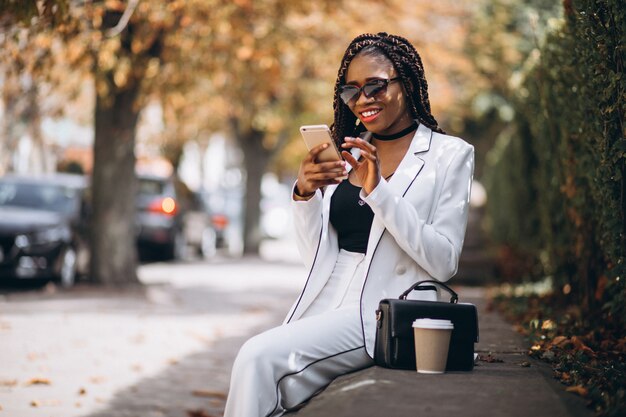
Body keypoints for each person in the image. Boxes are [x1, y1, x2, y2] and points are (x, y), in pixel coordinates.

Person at [224, 32, 474, 417]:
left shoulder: (449, 155)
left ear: (405, 83)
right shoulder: (347, 153)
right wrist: (305, 194)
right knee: (265, 374)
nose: (363, 100)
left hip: (386, 307)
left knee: (257, 358)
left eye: (375, 85)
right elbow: (315, 257)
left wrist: (379, 191)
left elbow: (444, 263)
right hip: (328, 297)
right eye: (351, 91)